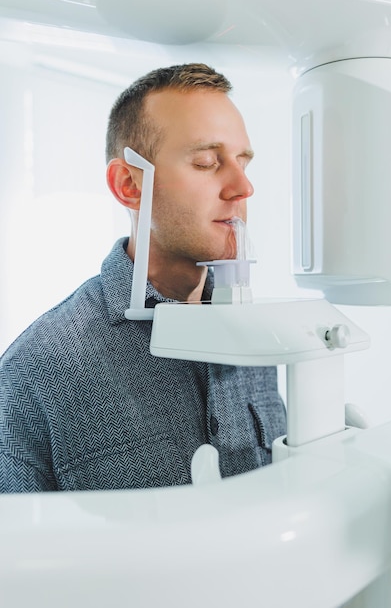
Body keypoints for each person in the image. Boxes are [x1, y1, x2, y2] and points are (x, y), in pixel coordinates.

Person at [0, 63, 286, 493]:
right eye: (207, 162)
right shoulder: (34, 374)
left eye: (243, 162)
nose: (242, 187)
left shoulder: (257, 338)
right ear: (130, 185)